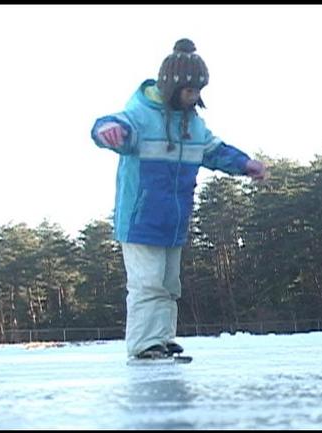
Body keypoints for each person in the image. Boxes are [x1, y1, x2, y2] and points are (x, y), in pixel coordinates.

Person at [90, 38, 267, 360]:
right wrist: (107, 131)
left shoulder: (193, 124)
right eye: (190, 90)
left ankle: (162, 338)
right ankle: (144, 343)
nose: (195, 97)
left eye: (199, 91)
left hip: (175, 220)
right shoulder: (140, 116)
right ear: (172, 87)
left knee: (169, 285)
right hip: (141, 218)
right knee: (146, 283)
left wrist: (244, 163)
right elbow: (110, 125)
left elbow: (214, 150)